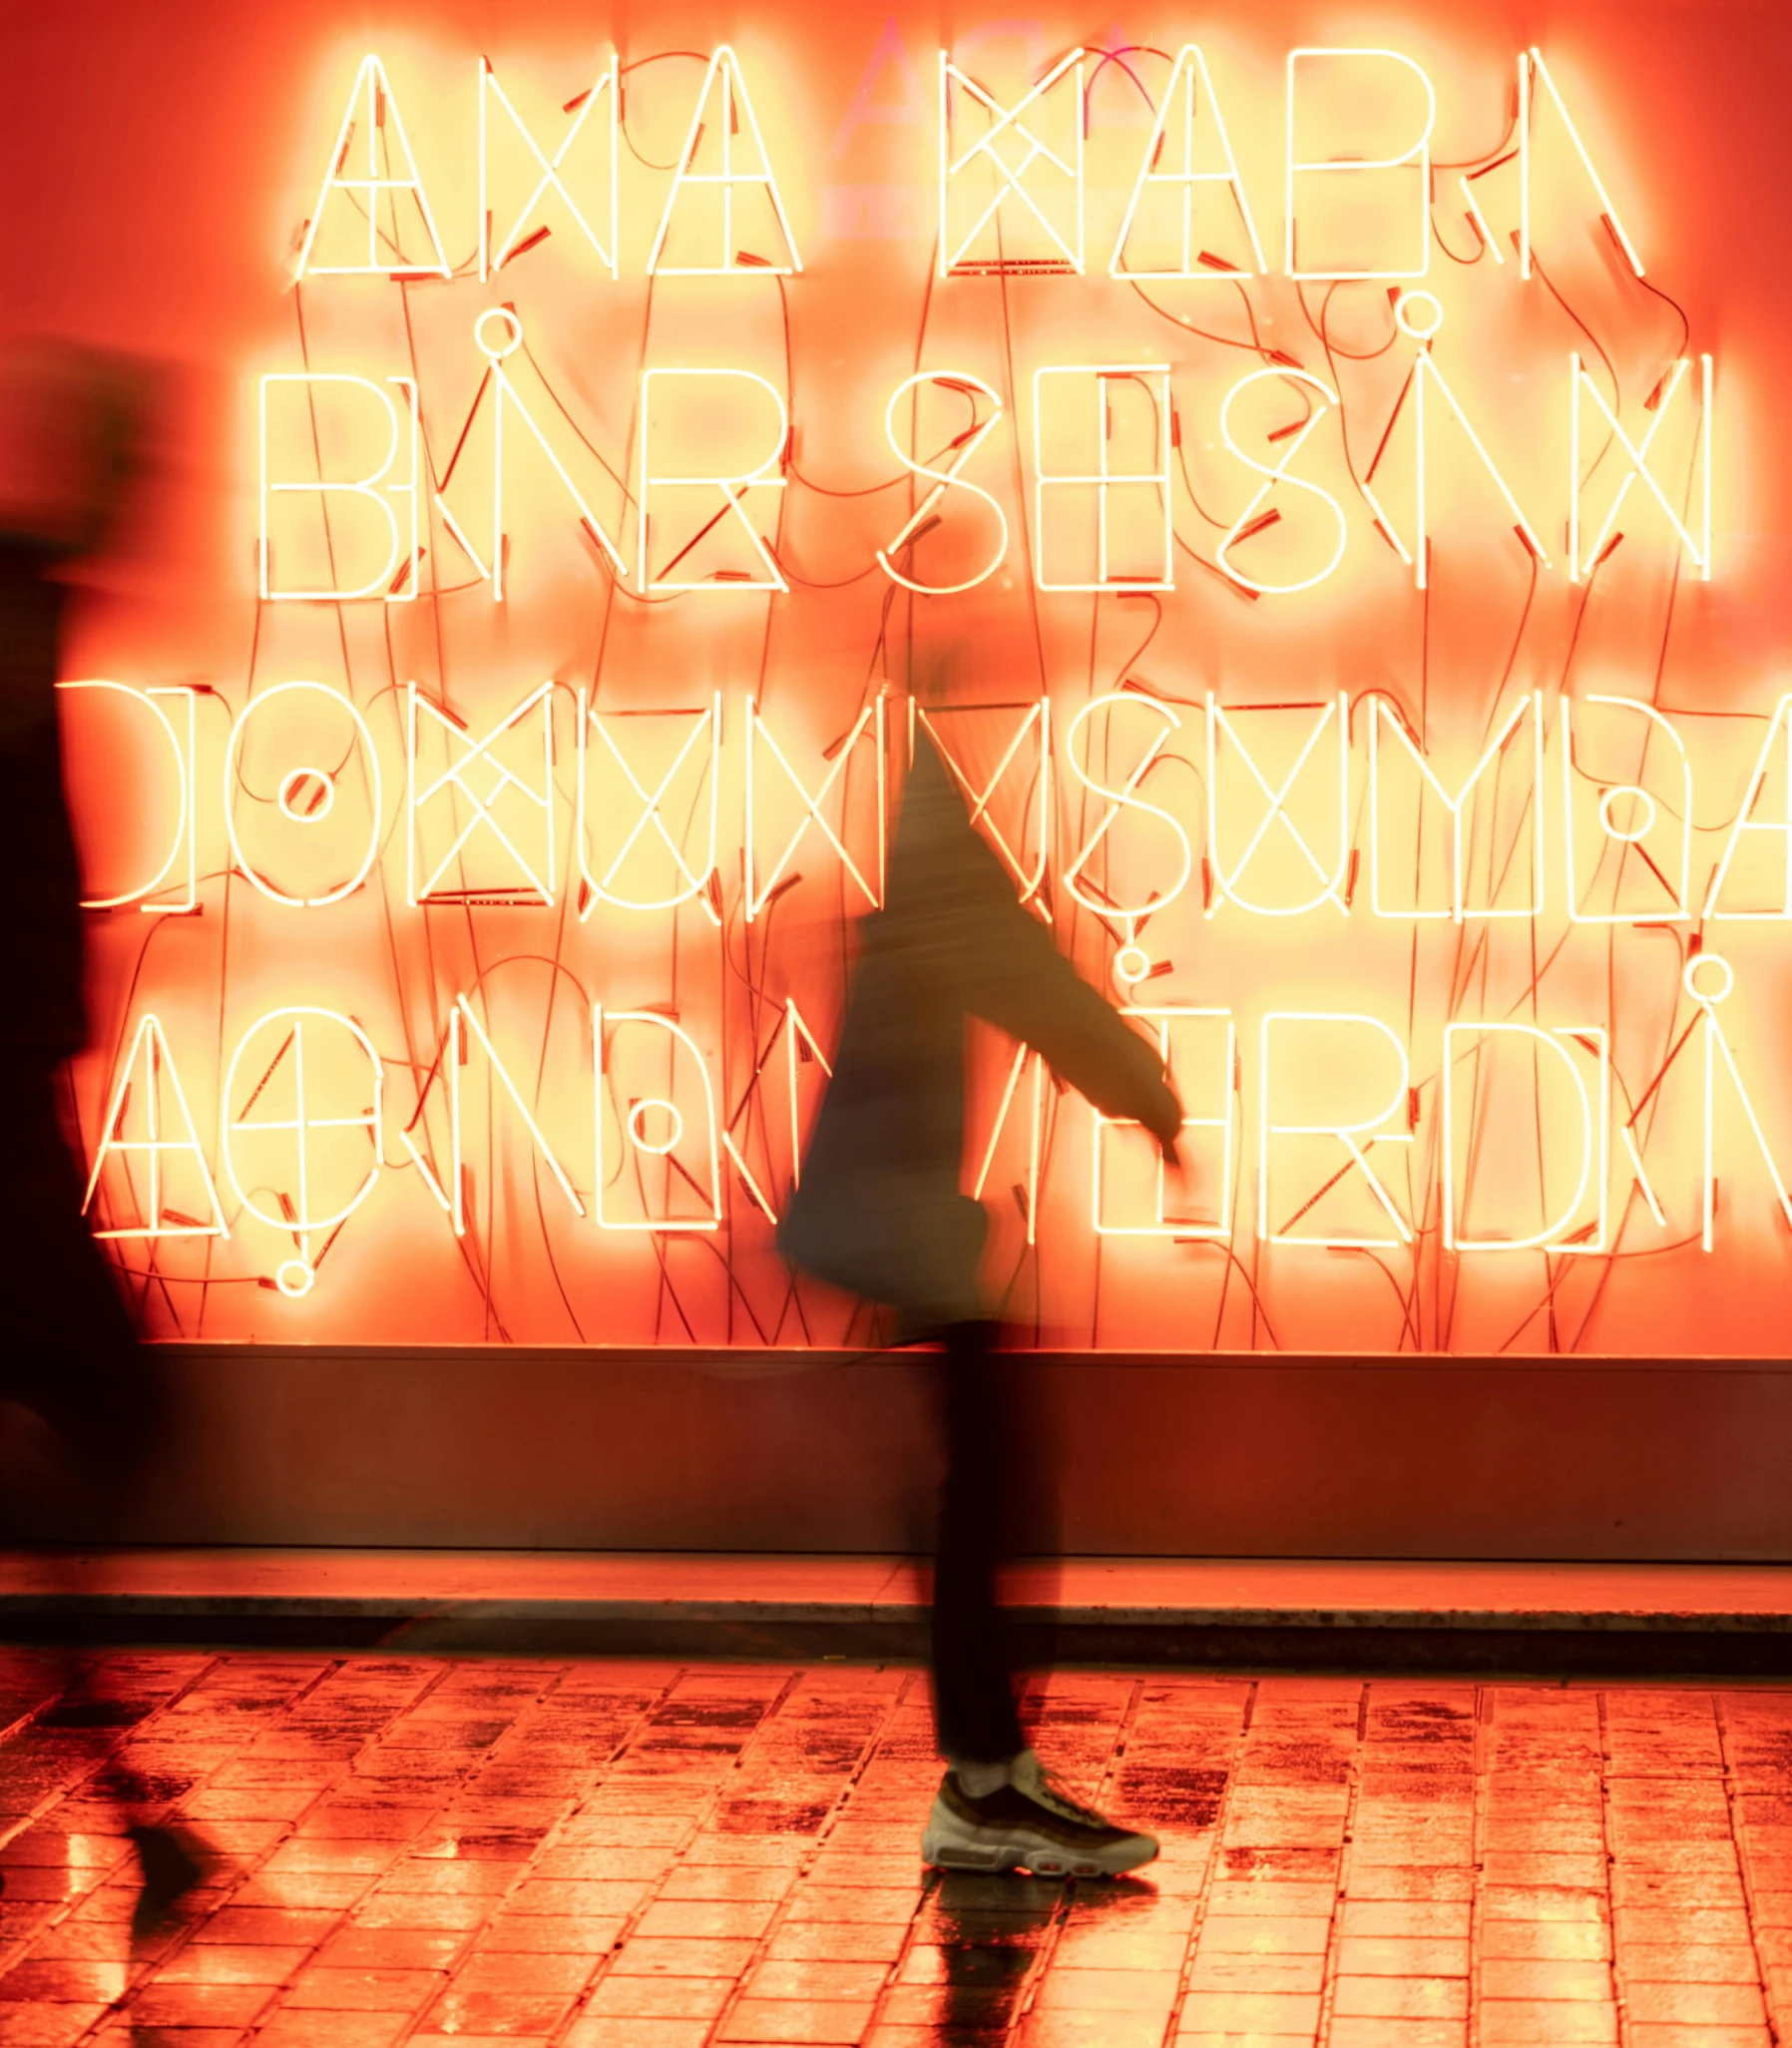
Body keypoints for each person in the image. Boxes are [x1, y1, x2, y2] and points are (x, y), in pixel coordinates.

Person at [781, 721, 1183, 1878]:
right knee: (991, 1499)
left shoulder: (923, 867)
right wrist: (1145, 1093)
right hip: (912, 1241)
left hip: (913, 1238)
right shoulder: (940, 871)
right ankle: (983, 1783)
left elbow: (1010, 969)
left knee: (985, 1493)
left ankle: (988, 1775)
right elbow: (1023, 976)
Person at [0, 338, 210, 1936]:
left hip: (22, 1102)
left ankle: (117, 1772)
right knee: (119, 1400)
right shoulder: (15, 603)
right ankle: (114, 1771)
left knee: (111, 1407)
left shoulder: (32, 602)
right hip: (3, 1113)